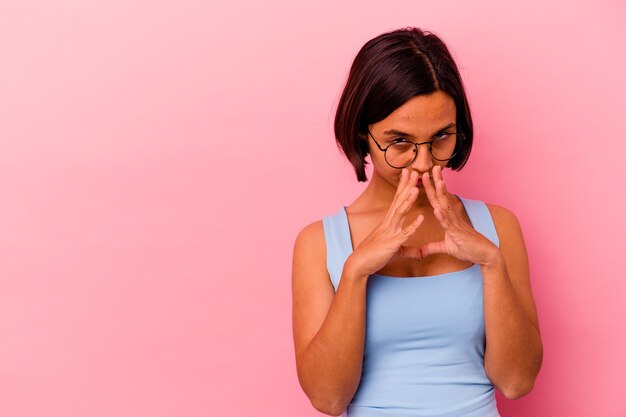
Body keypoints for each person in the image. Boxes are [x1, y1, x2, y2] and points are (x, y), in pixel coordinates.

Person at [291, 27, 543, 417]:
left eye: (441, 137)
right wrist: (357, 270)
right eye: (400, 142)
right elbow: (327, 398)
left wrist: (491, 264)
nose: (424, 163)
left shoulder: (497, 226)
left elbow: (516, 382)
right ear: (363, 132)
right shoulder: (319, 243)